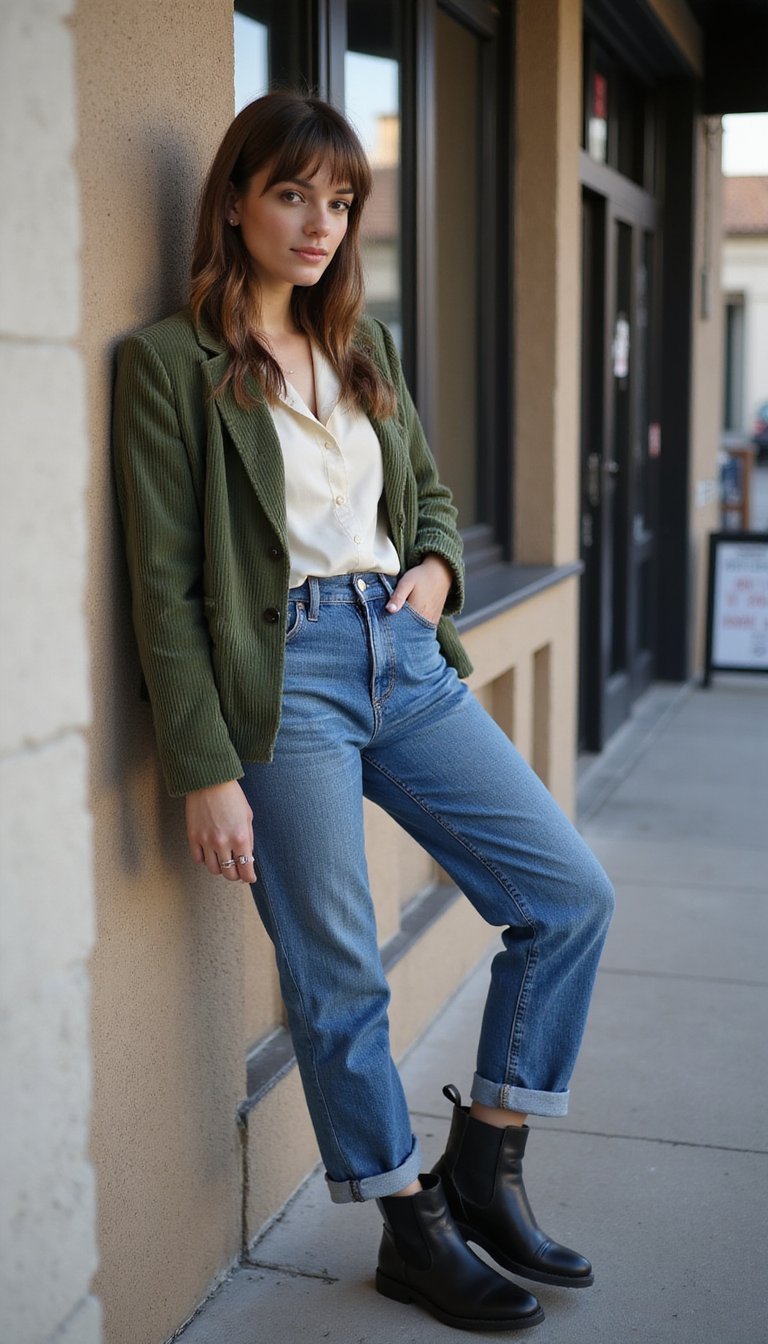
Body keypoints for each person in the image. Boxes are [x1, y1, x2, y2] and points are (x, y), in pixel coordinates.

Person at [113, 90, 615, 1333]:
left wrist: (436, 569)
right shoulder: (167, 368)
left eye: (340, 202)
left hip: (404, 656)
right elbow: (167, 587)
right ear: (236, 198)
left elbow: (430, 500)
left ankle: (484, 1174)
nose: (320, 223)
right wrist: (203, 766)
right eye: (293, 194)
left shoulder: (364, 347)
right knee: (339, 972)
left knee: (567, 896)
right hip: (280, 683)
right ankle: (409, 1226)